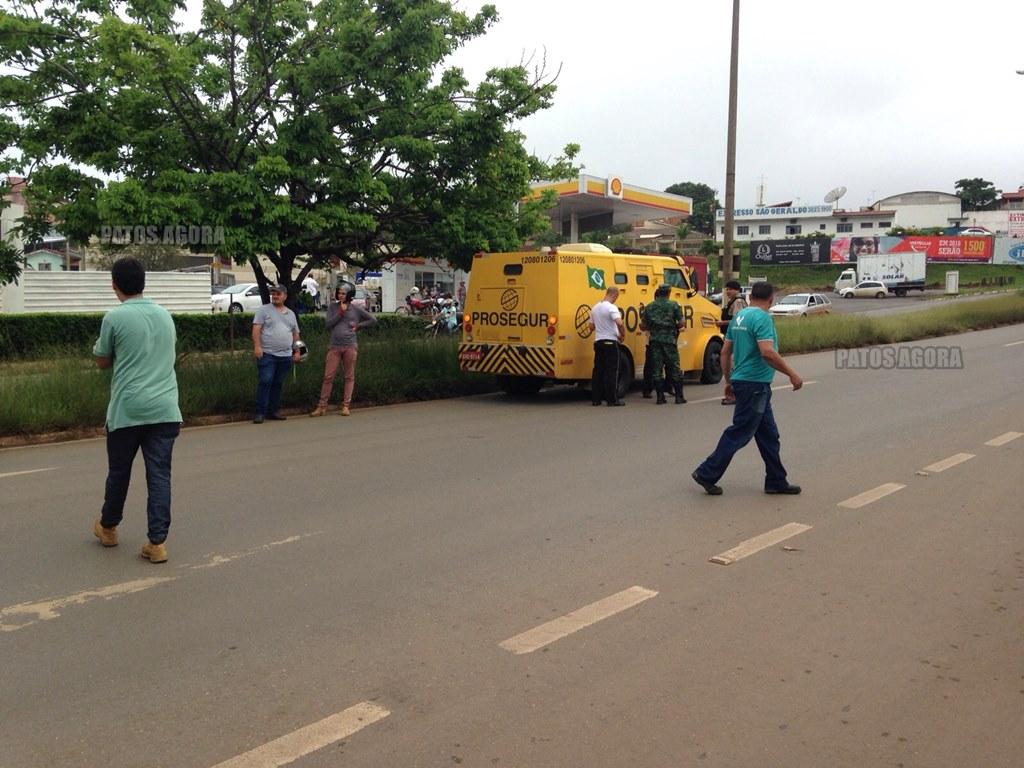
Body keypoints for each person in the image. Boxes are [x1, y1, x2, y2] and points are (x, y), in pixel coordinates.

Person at [92, 257, 182, 564]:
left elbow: (102, 360)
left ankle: (108, 528)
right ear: (143, 283)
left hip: (128, 410)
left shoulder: (114, 318)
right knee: (159, 476)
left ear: (114, 285)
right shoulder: (165, 316)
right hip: (166, 409)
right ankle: (157, 543)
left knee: (119, 472)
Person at [692, 282, 803, 496]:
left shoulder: (738, 318)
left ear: (751, 296)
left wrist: (729, 381)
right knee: (739, 432)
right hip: (755, 384)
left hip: (746, 382)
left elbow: (725, 353)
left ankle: (776, 480)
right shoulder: (762, 318)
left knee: (769, 435)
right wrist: (792, 374)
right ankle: (706, 473)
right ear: (771, 299)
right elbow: (767, 352)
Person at [310, 283, 376, 417]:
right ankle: (322, 406)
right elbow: (328, 325)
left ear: (350, 295)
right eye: (339, 293)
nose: (340, 295)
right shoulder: (333, 307)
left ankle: (346, 405)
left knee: (349, 376)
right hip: (334, 346)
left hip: (350, 345)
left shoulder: (356, 309)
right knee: (328, 376)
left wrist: (359, 326)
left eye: (343, 293)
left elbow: (373, 320)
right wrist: (340, 313)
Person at [252, 283, 302, 423]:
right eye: (273, 293)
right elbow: (256, 329)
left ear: (285, 296)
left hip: (285, 356)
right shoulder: (264, 310)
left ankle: (273, 411)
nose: (275, 296)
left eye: (278, 294)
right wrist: (257, 347)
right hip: (267, 354)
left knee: (278, 383)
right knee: (265, 381)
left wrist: (297, 351)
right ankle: (260, 412)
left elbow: (295, 334)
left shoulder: (290, 314)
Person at [640, 284, 686, 404]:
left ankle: (660, 397)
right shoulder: (674, 305)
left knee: (657, 368)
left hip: (654, 341)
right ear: (669, 293)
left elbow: (643, 325)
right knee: (674, 367)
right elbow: (681, 323)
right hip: (670, 340)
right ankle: (679, 397)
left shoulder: (649, 307)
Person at [588, 286, 626, 406]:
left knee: (598, 371)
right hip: (610, 342)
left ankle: (596, 399)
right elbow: (619, 322)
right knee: (612, 371)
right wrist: (622, 335)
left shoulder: (595, 308)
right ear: (614, 295)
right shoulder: (611, 308)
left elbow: (591, 327)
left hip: (598, 342)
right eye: (616, 297)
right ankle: (612, 399)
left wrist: (600, 326)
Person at [718, 280, 748, 405]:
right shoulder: (731, 302)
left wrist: (722, 323)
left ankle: (734, 393)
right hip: (730, 335)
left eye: (730, 289)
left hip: (736, 336)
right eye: (727, 289)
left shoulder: (738, 302)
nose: (728, 292)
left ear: (737, 289)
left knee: (733, 364)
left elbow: (738, 320)